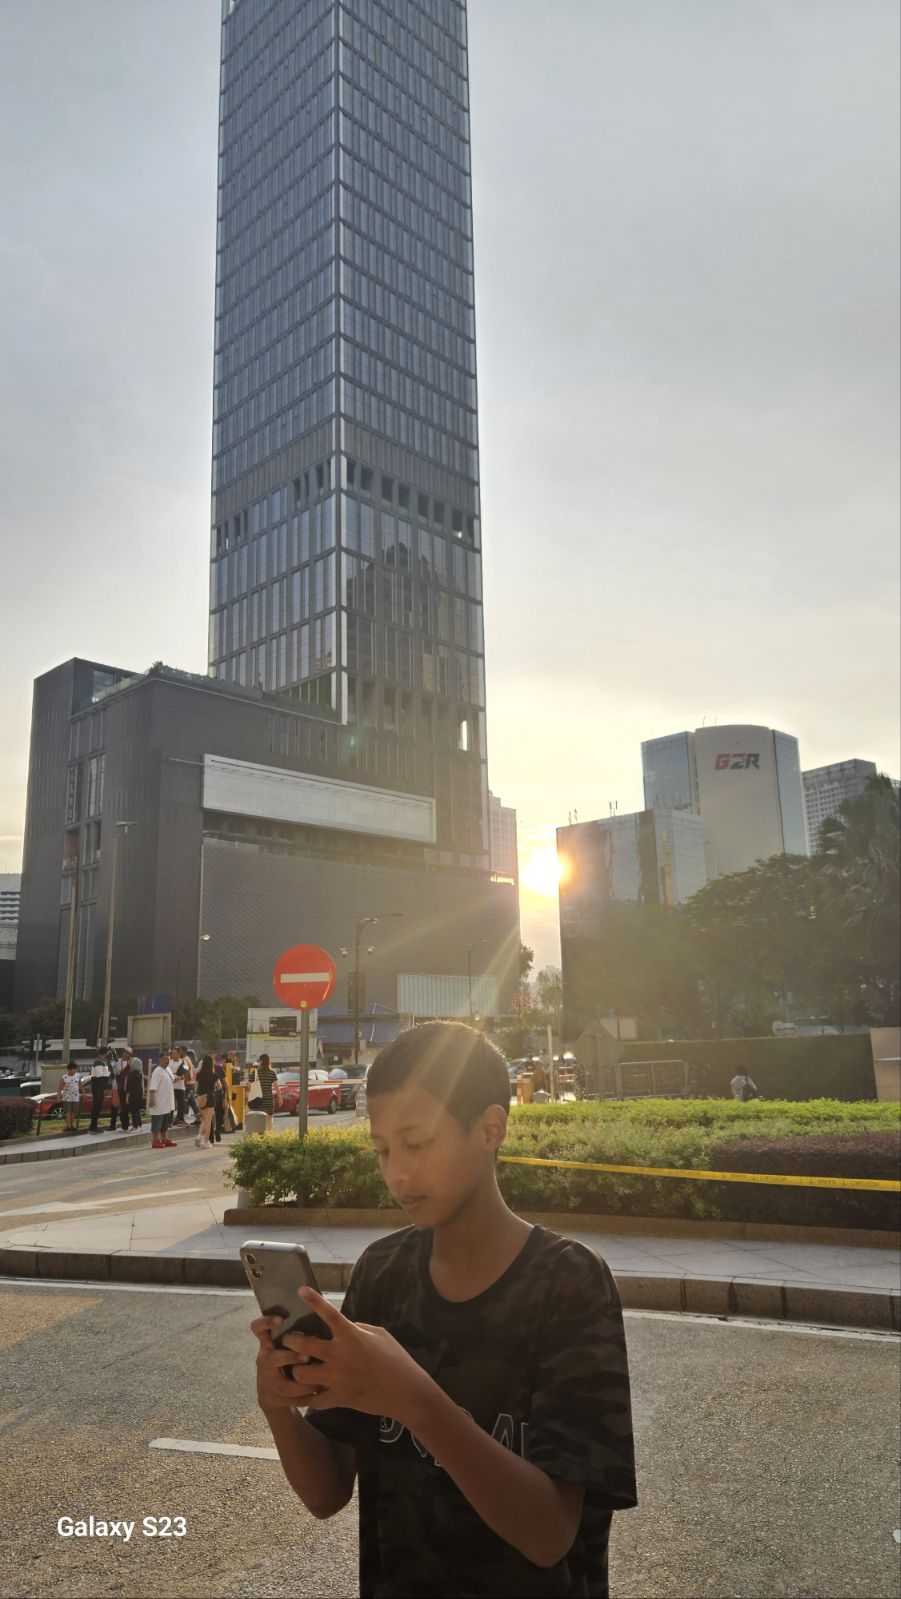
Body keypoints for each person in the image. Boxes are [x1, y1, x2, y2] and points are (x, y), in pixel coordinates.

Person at [251, 1021, 637, 1599]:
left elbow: (549, 1534)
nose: (397, 1172)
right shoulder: (382, 1273)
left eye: (418, 1144)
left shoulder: (568, 1282)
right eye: (382, 1150)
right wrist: (278, 1405)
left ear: (489, 1129)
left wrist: (415, 1401)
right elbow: (327, 1493)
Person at [149, 1052, 177, 1149]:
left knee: (165, 1122)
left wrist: (181, 1077)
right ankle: (155, 1141)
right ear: (160, 1060)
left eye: (168, 1059)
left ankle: (165, 1139)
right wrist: (151, 1099)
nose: (167, 1061)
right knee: (157, 1122)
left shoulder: (168, 1069)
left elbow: (172, 1080)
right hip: (159, 1102)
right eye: (165, 1059)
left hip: (167, 1102)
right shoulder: (157, 1071)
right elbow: (152, 1087)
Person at [250, 1052, 280, 1132]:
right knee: (269, 1117)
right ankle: (269, 1134)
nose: (258, 1062)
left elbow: (249, 1086)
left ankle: (260, 1135)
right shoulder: (272, 1072)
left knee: (259, 1118)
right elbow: (276, 1087)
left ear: (261, 1061)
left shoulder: (255, 1073)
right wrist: (280, 1098)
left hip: (258, 1099)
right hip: (269, 1099)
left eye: (259, 1060)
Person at [194, 1054, 217, 1148]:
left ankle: (199, 1136)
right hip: (210, 1097)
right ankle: (206, 1142)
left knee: (204, 1119)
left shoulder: (199, 1075)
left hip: (201, 1098)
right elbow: (219, 1086)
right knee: (208, 1121)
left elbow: (196, 1086)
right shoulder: (214, 1075)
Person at [88, 1048, 111, 1133]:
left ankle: (94, 1126)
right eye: (107, 1053)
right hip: (98, 1087)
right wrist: (105, 1088)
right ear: (105, 1053)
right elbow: (100, 1077)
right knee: (97, 1106)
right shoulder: (98, 1062)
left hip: (99, 1087)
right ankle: (93, 1127)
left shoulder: (102, 1062)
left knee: (98, 1106)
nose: (108, 1055)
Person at [109, 1050, 132, 1133]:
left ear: (130, 1055)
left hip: (125, 1088)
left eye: (128, 1053)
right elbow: (111, 1071)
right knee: (114, 1107)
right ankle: (112, 1125)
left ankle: (125, 1125)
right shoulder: (117, 1061)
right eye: (124, 1052)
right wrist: (109, 1061)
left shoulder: (131, 1063)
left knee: (124, 1108)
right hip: (116, 1087)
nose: (125, 1054)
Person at [57, 1062, 81, 1134]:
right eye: (74, 1069)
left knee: (73, 1112)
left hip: (75, 1097)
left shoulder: (78, 1076)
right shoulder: (64, 1077)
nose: (75, 1070)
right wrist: (58, 1096)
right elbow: (60, 1088)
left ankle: (72, 1125)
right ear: (69, 1069)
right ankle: (68, 1126)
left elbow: (80, 1085)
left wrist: (84, 1092)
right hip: (67, 1097)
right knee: (68, 1112)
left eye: (76, 1069)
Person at [125, 1054, 145, 1131]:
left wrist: (127, 1098)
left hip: (133, 1095)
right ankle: (138, 1125)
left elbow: (129, 1087)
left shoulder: (131, 1074)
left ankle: (135, 1126)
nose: (130, 1063)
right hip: (138, 1094)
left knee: (134, 1111)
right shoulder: (140, 1074)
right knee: (137, 1111)